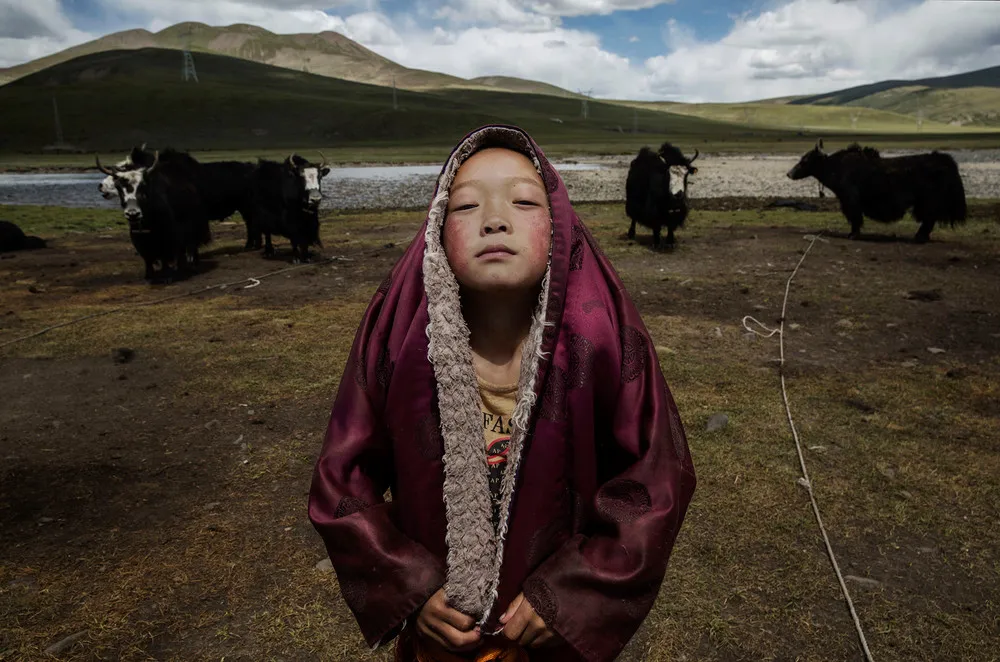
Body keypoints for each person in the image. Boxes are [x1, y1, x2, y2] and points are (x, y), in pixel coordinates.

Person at [308, 124, 696, 662]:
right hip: (439, 646)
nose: (494, 218)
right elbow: (342, 477)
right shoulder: (396, 341)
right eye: (465, 207)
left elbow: (656, 474)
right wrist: (411, 588)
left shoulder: (603, 341)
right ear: (437, 229)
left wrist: (573, 593)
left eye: (522, 200)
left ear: (561, 225)